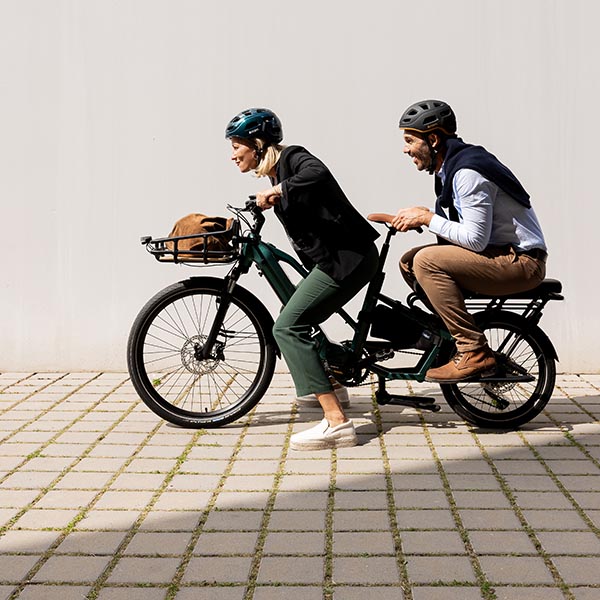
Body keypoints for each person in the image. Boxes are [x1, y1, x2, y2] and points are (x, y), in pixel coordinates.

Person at [226, 107, 379, 450]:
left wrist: (278, 190)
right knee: (297, 316)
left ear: (258, 143)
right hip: (338, 260)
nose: (232, 155)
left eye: (237, 146)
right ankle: (332, 384)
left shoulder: (293, 157)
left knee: (287, 327)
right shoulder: (275, 174)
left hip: (346, 260)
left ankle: (337, 422)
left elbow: (319, 174)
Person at [392, 99, 547, 383]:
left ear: (434, 138)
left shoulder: (466, 172)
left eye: (410, 140)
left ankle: (473, 351)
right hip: (499, 254)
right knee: (409, 262)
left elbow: (475, 239)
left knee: (426, 262)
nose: (405, 148)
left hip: (523, 262)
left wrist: (427, 219)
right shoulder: (450, 166)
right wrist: (423, 217)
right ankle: (446, 338)